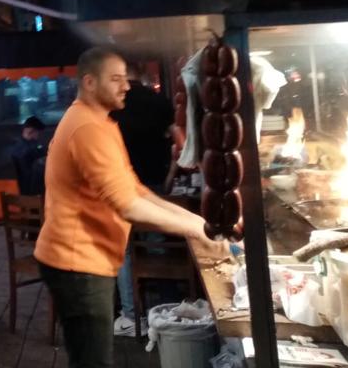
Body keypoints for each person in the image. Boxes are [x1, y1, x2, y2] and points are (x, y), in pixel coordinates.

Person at [35, 47, 223, 368]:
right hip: (77, 262)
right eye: (116, 79)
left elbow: (135, 189)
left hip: (85, 256)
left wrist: (196, 222)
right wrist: (197, 229)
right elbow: (128, 205)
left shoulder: (102, 123)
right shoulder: (86, 128)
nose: (126, 86)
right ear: (90, 83)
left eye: (125, 78)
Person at [111, 77, 174, 336]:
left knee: (124, 251)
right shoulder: (159, 101)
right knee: (156, 245)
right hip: (154, 183)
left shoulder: (113, 105)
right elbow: (174, 137)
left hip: (122, 185)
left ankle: (131, 315)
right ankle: (163, 310)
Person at [10, 115, 47, 195]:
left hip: (25, 193)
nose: (38, 136)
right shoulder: (30, 150)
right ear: (31, 131)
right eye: (38, 133)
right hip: (33, 194)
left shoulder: (17, 147)